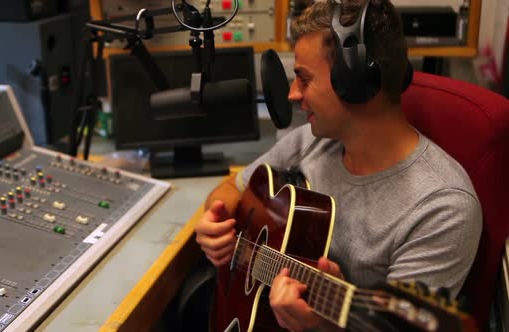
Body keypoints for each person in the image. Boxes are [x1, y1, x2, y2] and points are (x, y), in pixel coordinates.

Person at [195, 0, 482, 331]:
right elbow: (233, 187)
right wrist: (215, 223)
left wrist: (320, 325)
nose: (292, 94)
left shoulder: (442, 208)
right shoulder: (311, 140)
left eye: (303, 79)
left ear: (356, 82)